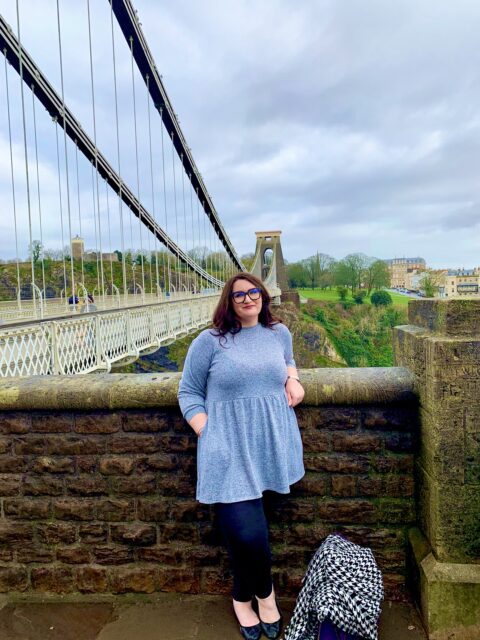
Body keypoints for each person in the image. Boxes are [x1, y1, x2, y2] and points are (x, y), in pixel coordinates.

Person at [178, 273, 305, 640]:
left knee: (245, 534)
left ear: (263, 296)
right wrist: (207, 430)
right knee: (249, 533)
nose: (248, 299)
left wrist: (292, 378)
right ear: (229, 302)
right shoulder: (210, 342)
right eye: (239, 295)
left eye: (253, 292)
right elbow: (188, 392)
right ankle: (262, 595)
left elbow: (287, 359)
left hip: (271, 444)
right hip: (228, 449)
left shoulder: (279, 333)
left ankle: (241, 593)